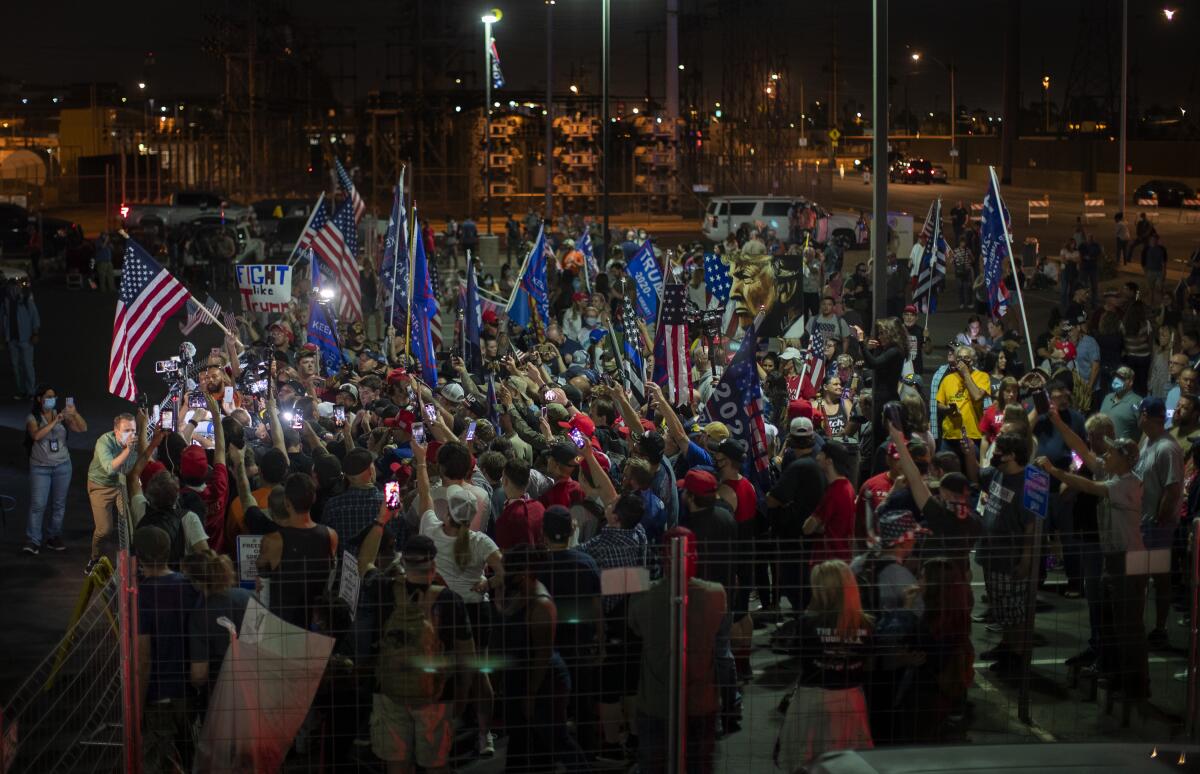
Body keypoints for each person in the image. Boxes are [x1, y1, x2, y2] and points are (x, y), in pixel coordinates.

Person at [628, 527, 726, 774]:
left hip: (656, 703)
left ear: (663, 556)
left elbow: (635, 627)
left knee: (654, 765)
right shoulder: (715, 594)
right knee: (699, 765)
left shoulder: (643, 595)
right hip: (700, 702)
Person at [492, 544, 591, 773]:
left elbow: (542, 655)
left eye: (508, 572)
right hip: (526, 676)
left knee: (556, 738)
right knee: (524, 739)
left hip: (545, 682)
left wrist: (530, 694)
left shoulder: (541, 604)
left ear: (524, 573)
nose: (504, 576)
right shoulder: (522, 593)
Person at [773, 560, 874, 771]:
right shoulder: (866, 624)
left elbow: (796, 654)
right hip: (850, 699)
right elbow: (869, 662)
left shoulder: (808, 623)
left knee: (807, 762)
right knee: (848, 763)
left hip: (813, 698)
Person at [135, 526, 201, 774]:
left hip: (158, 694)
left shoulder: (143, 595)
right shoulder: (190, 586)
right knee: (188, 754)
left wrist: (137, 706)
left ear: (138, 556)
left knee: (158, 762)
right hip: (188, 690)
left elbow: (143, 659)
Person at [975, 432, 1036, 673]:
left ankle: (1017, 657)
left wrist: (1026, 559)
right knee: (1001, 608)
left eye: (999, 450)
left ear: (1011, 455)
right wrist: (970, 451)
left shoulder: (1028, 482)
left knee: (1014, 611)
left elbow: (1032, 525)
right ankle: (1007, 647)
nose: (994, 453)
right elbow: (978, 477)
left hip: (1009, 558)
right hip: (991, 554)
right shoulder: (997, 473)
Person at [256, 473, 338, 630]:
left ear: (287, 503)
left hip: (281, 623)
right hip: (316, 622)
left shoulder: (272, 541)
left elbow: (262, 584)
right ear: (313, 499)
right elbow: (329, 579)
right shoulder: (331, 536)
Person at [1134, 397, 1185, 649]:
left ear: (1146, 415)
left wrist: (1158, 519)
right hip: (1142, 524)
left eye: (1139, 413)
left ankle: (1160, 627)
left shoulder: (1167, 448)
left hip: (1155, 527)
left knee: (1158, 578)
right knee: (1138, 578)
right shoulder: (1147, 441)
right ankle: (1137, 625)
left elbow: (1173, 489)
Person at [23, 386, 87, 554]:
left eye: (53, 396)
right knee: (38, 505)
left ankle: (53, 536)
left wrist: (74, 414)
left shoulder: (61, 415)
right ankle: (33, 540)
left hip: (62, 466)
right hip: (40, 468)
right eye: (48, 396)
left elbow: (82, 428)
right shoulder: (33, 417)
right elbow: (36, 436)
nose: (51, 399)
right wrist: (55, 421)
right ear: (39, 399)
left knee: (59, 505)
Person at [86, 412, 138, 574]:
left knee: (130, 524)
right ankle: (94, 558)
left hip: (121, 484)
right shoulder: (104, 442)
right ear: (116, 431)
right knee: (104, 529)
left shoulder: (135, 442)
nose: (131, 435)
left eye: (133, 430)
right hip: (101, 486)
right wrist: (128, 451)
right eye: (127, 430)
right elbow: (109, 469)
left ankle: (133, 561)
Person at [0, 278, 40, 400]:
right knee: (16, 366)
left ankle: (31, 391)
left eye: (15, 287)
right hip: (12, 339)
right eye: (11, 288)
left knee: (27, 365)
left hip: (25, 338)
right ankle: (22, 391)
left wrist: (35, 333)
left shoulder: (26, 300)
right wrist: (3, 337)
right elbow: (2, 320)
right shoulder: (5, 302)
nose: (13, 290)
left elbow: (35, 317)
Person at [1100, 365, 1142, 442]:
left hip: (1123, 451)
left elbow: (1144, 430)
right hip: (1102, 448)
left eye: (1121, 378)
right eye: (1116, 376)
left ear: (1130, 382)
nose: (1116, 380)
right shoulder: (1107, 398)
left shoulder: (1137, 402)